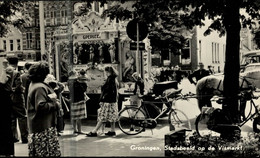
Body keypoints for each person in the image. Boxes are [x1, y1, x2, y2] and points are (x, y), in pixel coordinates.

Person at [27, 62, 61, 157]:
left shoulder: (34, 84)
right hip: (43, 128)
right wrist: (55, 104)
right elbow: (41, 106)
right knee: (46, 152)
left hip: (39, 127)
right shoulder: (40, 88)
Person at [86, 66, 119, 137]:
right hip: (113, 101)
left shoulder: (110, 79)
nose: (105, 73)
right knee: (112, 116)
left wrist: (102, 99)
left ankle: (94, 131)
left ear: (108, 72)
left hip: (107, 101)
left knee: (102, 116)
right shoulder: (114, 79)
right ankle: (112, 130)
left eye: (106, 72)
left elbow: (107, 91)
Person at [6, 57, 28, 144]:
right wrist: (21, 89)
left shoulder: (6, 71)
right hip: (17, 98)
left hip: (9, 97)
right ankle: (24, 137)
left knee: (12, 118)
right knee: (22, 116)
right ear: (17, 63)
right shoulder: (16, 72)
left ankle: (14, 137)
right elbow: (18, 86)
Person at [0, 60, 15, 156]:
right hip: (4, 99)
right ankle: (6, 151)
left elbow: (3, 81)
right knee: (5, 126)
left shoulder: (7, 70)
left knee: (5, 125)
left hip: (4, 99)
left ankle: (6, 151)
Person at [67, 70, 88, 135]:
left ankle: (75, 129)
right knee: (79, 117)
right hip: (79, 100)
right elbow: (83, 89)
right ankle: (79, 130)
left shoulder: (69, 82)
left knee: (74, 116)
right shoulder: (77, 82)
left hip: (73, 100)